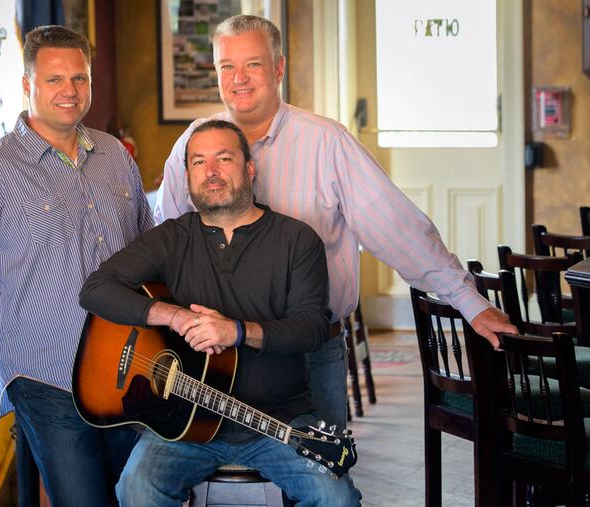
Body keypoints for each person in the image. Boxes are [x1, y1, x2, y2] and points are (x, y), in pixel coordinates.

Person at [154, 15, 517, 434]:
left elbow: (397, 229)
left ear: (278, 68)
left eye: (252, 64)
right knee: (201, 456)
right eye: (226, 66)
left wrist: (469, 302)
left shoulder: (326, 143)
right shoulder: (192, 145)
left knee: (322, 465)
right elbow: (167, 243)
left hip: (310, 351)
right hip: (214, 354)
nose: (239, 78)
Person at [0, 26, 153, 506]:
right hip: (46, 373)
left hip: (126, 367)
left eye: (79, 78)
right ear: (27, 85)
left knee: (134, 496)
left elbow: (148, 248)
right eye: (54, 79)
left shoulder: (115, 158)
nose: (70, 90)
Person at [80, 120, 362, 506]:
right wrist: (173, 316)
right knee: (136, 488)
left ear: (250, 168)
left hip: (277, 423)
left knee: (336, 499)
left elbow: (312, 328)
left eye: (224, 158)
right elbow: (95, 289)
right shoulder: (171, 238)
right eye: (198, 162)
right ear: (187, 177)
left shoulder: (297, 239)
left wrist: (238, 332)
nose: (210, 171)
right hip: (184, 427)